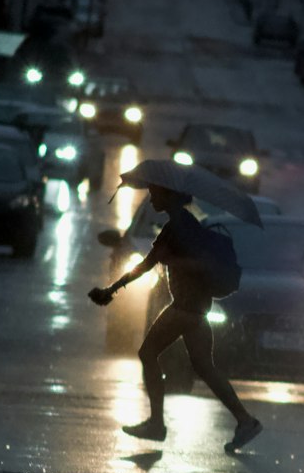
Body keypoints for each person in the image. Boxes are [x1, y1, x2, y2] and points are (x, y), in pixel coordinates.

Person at [88, 184, 263, 452]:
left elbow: (150, 264)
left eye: (156, 194)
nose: (152, 198)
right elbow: (158, 262)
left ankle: (156, 423)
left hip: (185, 307)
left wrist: (112, 289)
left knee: (147, 353)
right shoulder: (185, 224)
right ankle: (245, 420)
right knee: (205, 367)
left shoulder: (180, 227)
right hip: (198, 309)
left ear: (171, 196)